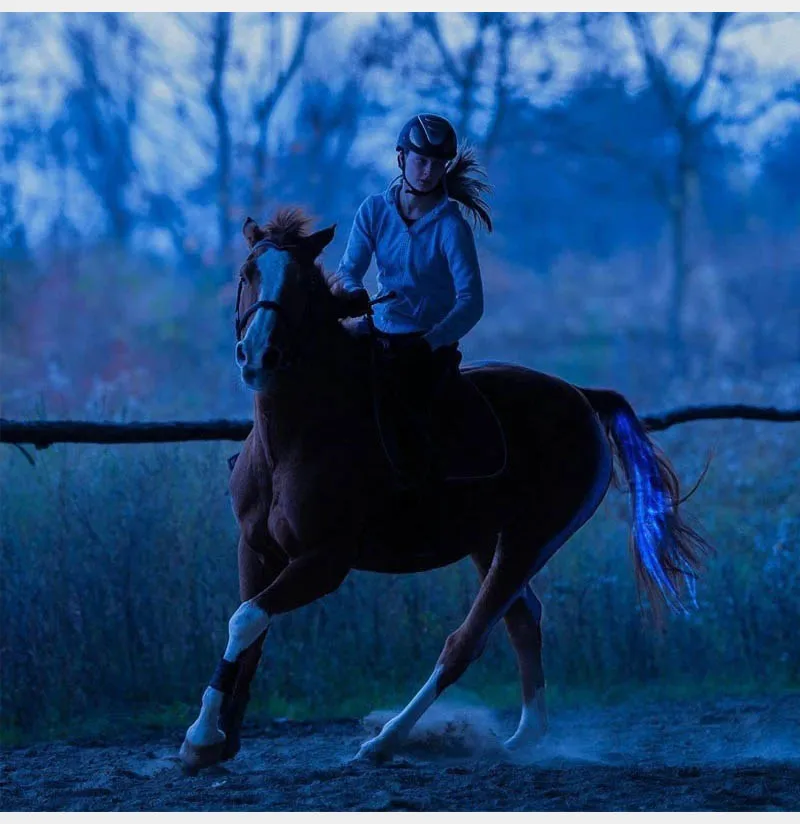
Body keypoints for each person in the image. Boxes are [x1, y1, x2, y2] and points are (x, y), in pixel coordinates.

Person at [329, 112, 493, 489]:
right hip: (376, 331)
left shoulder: (452, 228)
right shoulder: (373, 210)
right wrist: (354, 292)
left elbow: (471, 302)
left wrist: (431, 342)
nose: (428, 171)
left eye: (438, 164)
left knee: (412, 424)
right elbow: (349, 269)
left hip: (423, 349)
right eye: (421, 160)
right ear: (401, 158)